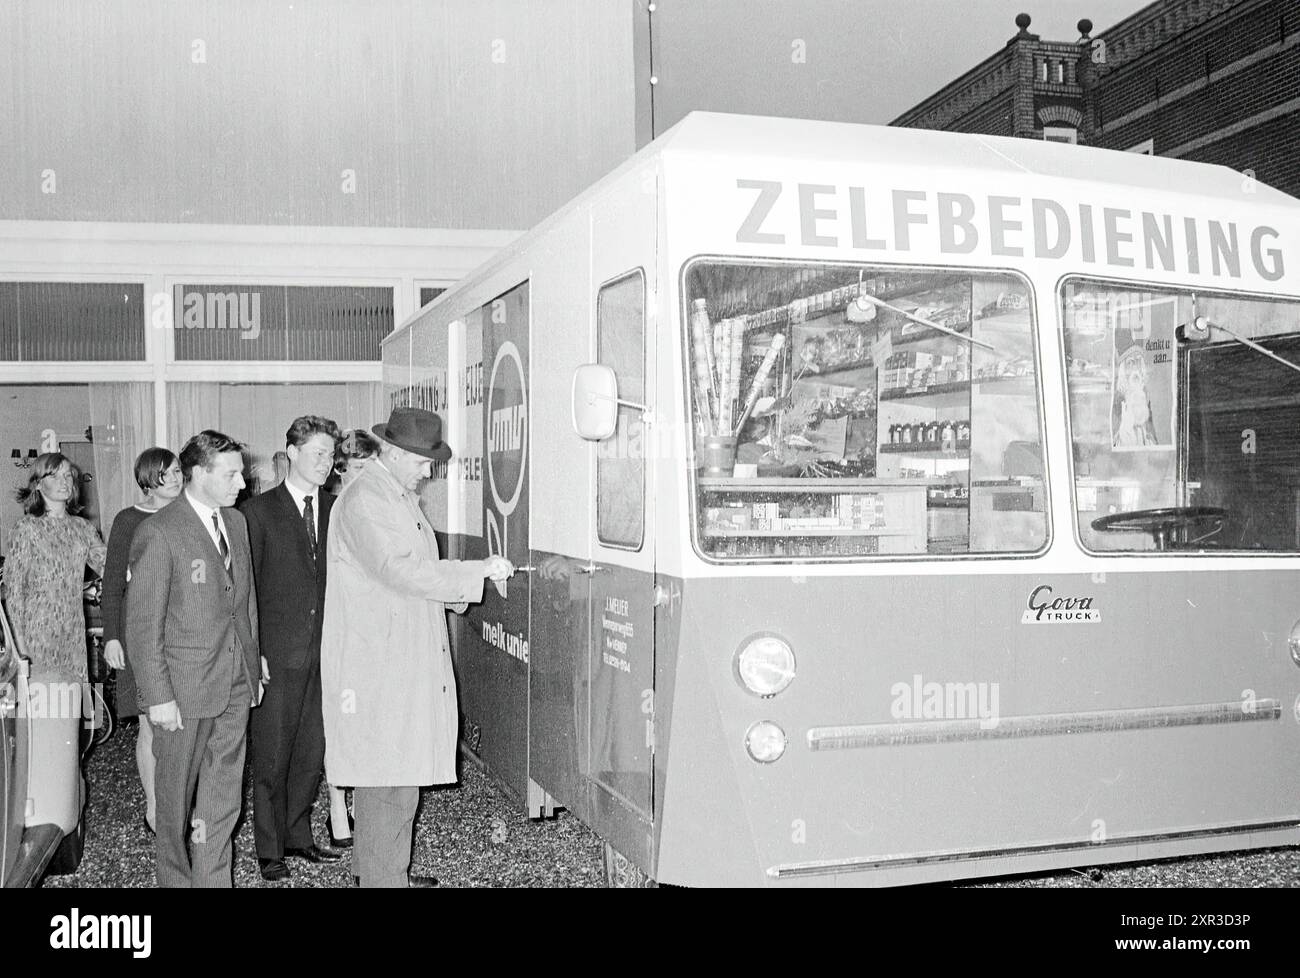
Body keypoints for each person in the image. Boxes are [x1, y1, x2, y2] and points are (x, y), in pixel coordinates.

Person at [320, 407, 511, 887]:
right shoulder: (368, 499)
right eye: (423, 462)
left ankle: (384, 875)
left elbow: (417, 571)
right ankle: (384, 879)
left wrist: (467, 579)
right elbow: (400, 570)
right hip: (379, 668)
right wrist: (476, 572)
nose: (429, 472)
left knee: (396, 784)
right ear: (395, 452)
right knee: (387, 787)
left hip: (396, 661)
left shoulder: (394, 496)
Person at [124, 430, 266, 888]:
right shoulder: (159, 530)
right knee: (175, 808)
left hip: (234, 685)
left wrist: (253, 662)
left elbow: (245, 603)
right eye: (231, 474)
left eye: (241, 473)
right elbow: (142, 625)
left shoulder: (237, 523)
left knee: (223, 804)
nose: (241, 483)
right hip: (181, 696)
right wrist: (157, 697)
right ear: (199, 473)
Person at [241, 415, 343, 882]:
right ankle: (268, 849)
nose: (328, 462)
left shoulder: (338, 509)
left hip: (325, 653)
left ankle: (298, 835)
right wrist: (255, 649)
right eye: (319, 453)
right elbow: (247, 590)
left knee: (312, 750)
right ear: (292, 452)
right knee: (272, 753)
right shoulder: (257, 513)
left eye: (331, 454)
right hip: (277, 657)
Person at [100, 448, 183, 836]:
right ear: (148, 479)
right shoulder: (128, 520)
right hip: (141, 634)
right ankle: (153, 808)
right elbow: (112, 583)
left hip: (182, 635)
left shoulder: (188, 516)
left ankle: (177, 801)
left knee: (182, 725)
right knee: (151, 722)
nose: (176, 478)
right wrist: (112, 637)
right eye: (166, 473)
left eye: (179, 470)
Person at [319, 426, 382, 849]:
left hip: (366, 638)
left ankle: (357, 812)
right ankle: (338, 812)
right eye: (359, 467)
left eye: (370, 466)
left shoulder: (370, 506)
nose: (366, 474)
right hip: (341, 635)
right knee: (341, 729)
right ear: (342, 469)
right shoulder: (342, 507)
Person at [3, 454, 107, 687]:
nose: (65, 481)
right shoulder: (27, 528)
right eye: (55, 475)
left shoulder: (82, 528)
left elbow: (109, 567)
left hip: (73, 639)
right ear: (38, 483)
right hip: (35, 640)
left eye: (68, 475)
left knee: (71, 713)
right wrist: (21, 652)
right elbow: (14, 595)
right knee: (47, 715)